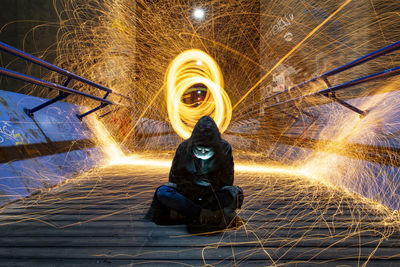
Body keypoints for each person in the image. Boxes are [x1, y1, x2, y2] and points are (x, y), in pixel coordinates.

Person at [151, 116, 243, 228]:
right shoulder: (183, 148)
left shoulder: (224, 148)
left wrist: (210, 187)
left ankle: (187, 215)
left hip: (212, 196)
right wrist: (191, 186)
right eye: (199, 149)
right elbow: (174, 178)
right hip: (188, 195)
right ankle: (208, 215)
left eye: (207, 150)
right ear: (193, 145)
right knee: (163, 192)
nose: (203, 152)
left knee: (235, 193)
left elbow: (228, 180)